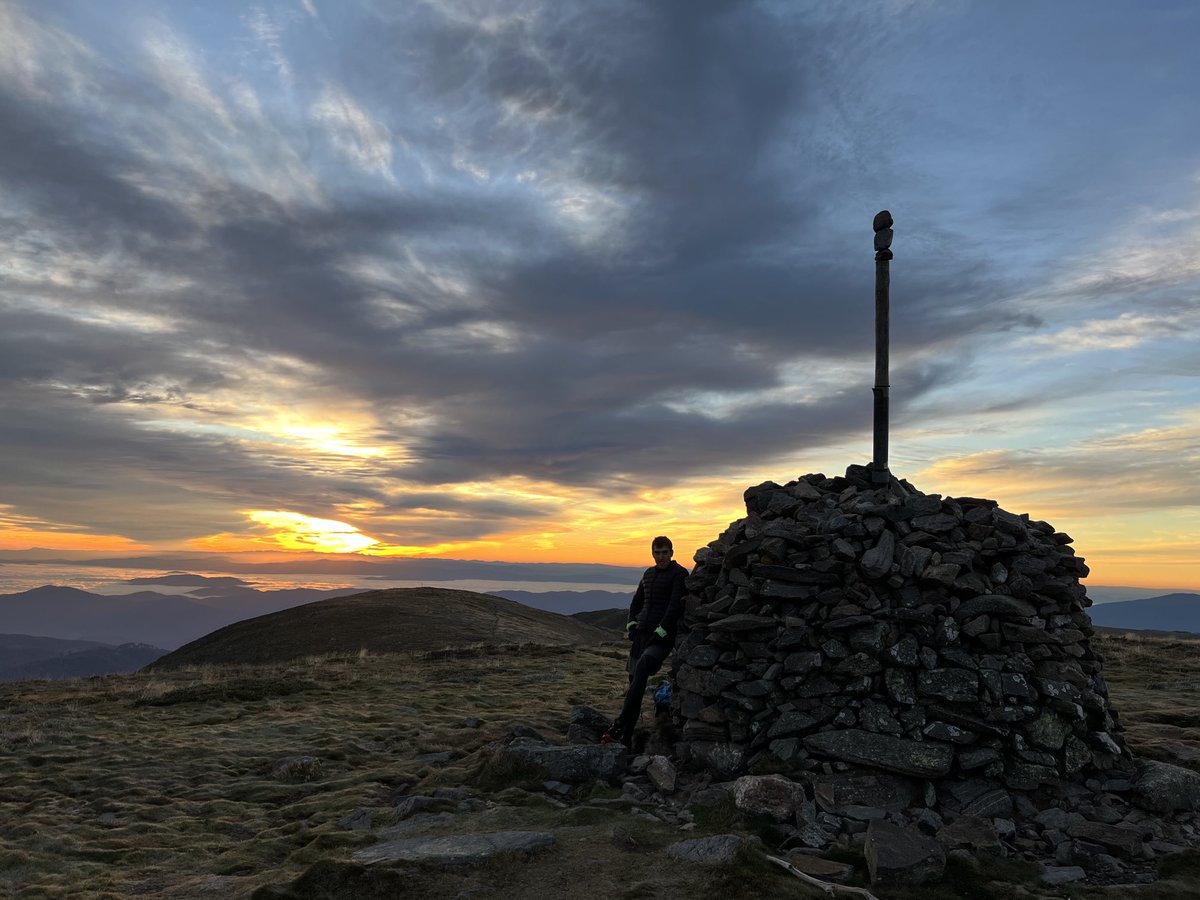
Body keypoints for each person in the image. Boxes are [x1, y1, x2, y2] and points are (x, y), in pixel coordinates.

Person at [602, 535, 687, 749]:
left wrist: (661, 631)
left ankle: (620, 725)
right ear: (652, 553)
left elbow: (675, 607)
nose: (661, 557)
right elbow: (636, 602)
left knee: (641, 671)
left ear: (672, 553)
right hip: (640, 636)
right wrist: (631, 624)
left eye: (665, 552)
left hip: (660, 639)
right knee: (634, 685)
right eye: (657, 553)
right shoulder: (648, 574)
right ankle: (627, 738)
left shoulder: (679, 574)